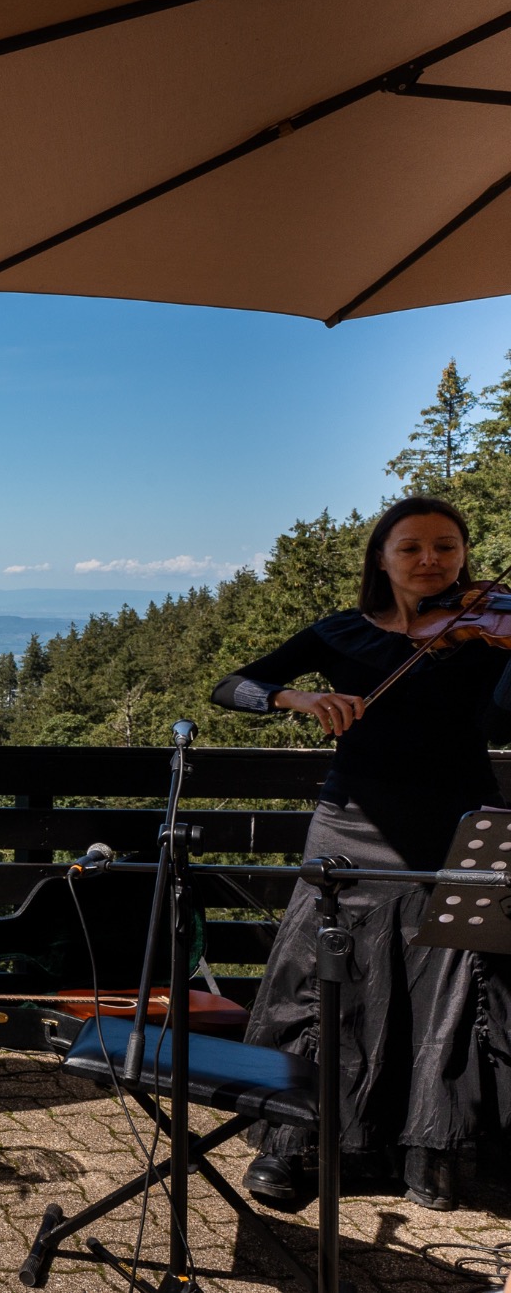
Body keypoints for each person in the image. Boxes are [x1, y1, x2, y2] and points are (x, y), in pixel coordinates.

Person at [213, 495, 511, 1211]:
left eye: (447, 547)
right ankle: (294, 1145)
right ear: (382, 558)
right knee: (321, 981)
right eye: (411, 548)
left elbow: (504, 715)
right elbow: (233, 685)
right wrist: (297, 699)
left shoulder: (492, 630)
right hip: (349, 827)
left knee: (451, 984)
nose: (432, 561)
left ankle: (431, 1149)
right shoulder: (342, 633)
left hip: (455, 827)